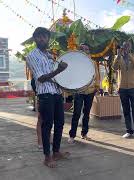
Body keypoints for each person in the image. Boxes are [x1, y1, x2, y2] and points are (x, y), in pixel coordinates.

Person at [26, 27, 69, 168]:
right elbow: (41, 78)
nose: (42, 38)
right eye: (39, 36)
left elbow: (56, 76)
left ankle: (56, 152)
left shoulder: (49, 55)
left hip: (56, 93)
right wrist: (58, 70)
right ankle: (47, 156)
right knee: (47, 125)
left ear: (48, 38)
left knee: (60, 123)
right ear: (35, 39)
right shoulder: (32, 55)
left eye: (44, 36)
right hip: (45, 94)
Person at [68, 43, 100, 143]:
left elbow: (97, 75)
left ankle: (84, 133)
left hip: (90, 91)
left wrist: (97, 86)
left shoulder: (92, 62)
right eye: (83, 49)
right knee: (76, 113)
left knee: (86, 113)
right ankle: (72, 135)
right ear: (80, 51)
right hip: (79, 91)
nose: (86, 51)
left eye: (87, 49)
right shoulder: (76, 63)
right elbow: (72, 75)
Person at [113, 41, 134, 141]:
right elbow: (114, 67)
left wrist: (129, 56)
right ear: (122, 47)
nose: (126, 47)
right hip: (122, 88)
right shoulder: (119, 57)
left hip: (133, 87)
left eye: (128, 46)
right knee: (126, 110)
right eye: (124, 46)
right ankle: (128, 131)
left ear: (130, 47)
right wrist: (118, 56)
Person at [31, 78, 52, 149]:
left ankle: (48, 139)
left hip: (51, 96)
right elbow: (34, 85)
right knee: (40, 119)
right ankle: (40, 141)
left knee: (49, 119)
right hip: (41, 97)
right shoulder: (36, 74)